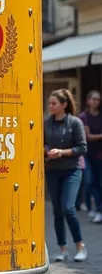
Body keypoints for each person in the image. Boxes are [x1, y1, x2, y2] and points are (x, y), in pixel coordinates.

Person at [44, 89, 87, 262]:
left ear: (64, 105)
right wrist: (46, 152)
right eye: (49, 103)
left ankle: (80, 245)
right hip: (53, 171)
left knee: (68, 208)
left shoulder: (75, 123)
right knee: (57, 211)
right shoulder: (47, 123)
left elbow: (82, 148)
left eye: (54, 103)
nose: (50, 106)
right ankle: (62, 249)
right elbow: (41, 144)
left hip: (72, 170)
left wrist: (62, 152)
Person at [79, 90, 102, 223]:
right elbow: (88, 137)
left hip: (99, 154)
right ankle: (91, 207)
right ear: (88, 100)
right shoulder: (84, 117)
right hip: (86, 154)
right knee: (89, 181)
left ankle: (98, 209)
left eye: (98, 100)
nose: (96, 102)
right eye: (94, 99)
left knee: (99, 183)